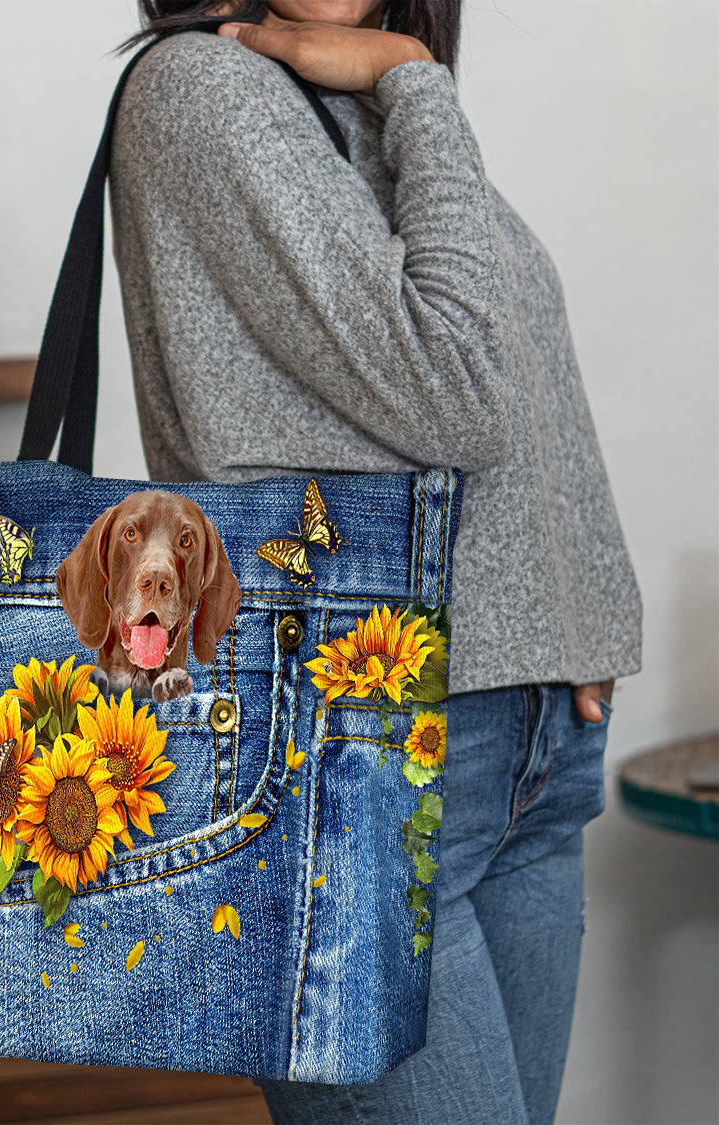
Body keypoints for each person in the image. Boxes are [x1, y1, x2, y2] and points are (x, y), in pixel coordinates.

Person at [106, 2, 643, 1122]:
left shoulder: (352, 97)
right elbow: (459, 389)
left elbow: (520, 363)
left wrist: (569, 627)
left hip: (522, 752)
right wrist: (417, 78)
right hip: (355, 762)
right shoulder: (206, 90)